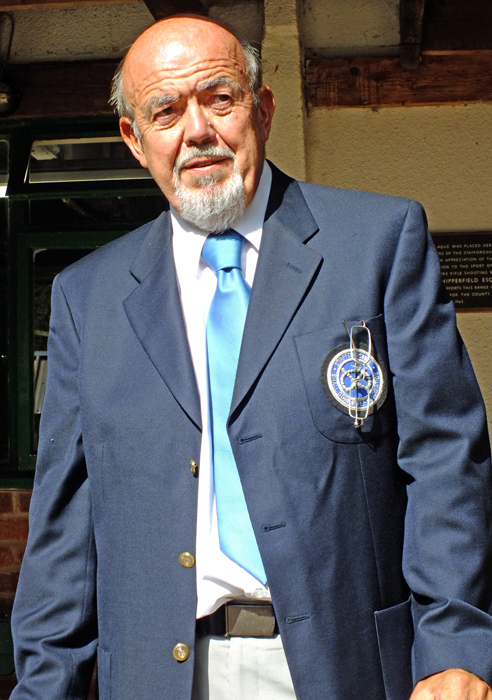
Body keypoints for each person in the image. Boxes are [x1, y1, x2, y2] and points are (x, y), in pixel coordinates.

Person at [10, 15, 492, 700]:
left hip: (349, 667)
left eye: (219, 98)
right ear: (135, 140)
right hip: (159, 678)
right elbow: (62, 528)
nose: (197, 130)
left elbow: (446, 460)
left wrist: (455, 643)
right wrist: (44, 685)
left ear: (261, 110)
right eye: (166, 111)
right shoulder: (87, 299)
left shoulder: (376, 244)